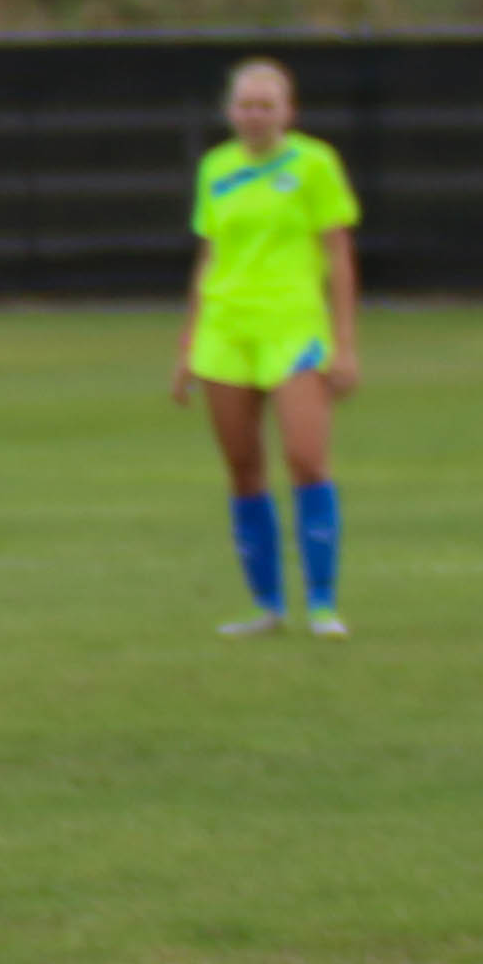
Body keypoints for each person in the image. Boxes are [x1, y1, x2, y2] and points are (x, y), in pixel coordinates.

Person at [172, 56, 361, 637]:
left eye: (266, 106)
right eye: (245, 106)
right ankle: (267, 605)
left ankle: (323, 603)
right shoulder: (215, 168)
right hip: (226, 331)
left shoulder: (314, 164)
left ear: (288, 112)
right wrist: (187, 348)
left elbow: (337, 253)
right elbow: (209, 258)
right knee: (243, 468)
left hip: (294, 327)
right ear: (230, 112)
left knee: (305, 458)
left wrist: (345, 342)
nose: (254, 116)